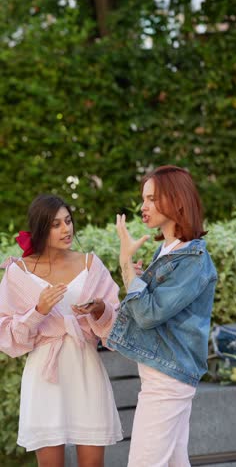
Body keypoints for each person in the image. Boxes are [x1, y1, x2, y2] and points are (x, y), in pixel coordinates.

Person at [0, 194, 122, 467]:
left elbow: (117, 322)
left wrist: (100, 308)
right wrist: (38, 311)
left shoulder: (91, 264)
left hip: (85, 369)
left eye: (68, 221)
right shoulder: (18, 272)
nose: (66, 229)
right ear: (41, 228)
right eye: (56, 224)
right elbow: (6, 334)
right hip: (45, 376)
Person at [107, 165, 218, 467]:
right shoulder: (167, 252)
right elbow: (148, 306)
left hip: (168, 379)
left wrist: (126, 263)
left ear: (177, 201)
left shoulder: (192, 259)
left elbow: (147, 313)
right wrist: (136, 279)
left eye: (153, 199)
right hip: (162, 374)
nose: (144, 207)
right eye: (144, 198)